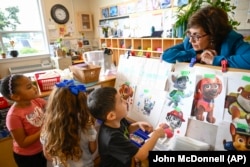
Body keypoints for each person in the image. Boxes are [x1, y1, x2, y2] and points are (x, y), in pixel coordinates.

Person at [87, 87, 165, 167]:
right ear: (111, 115)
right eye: (121, 101)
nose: (125, 101)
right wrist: (156, 134)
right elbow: (141, 155)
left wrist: (137, 124)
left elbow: (126, 130)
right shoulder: (112, 138)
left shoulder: (118, 120)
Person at [162, 5, 250, 70]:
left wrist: (215, 60)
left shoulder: (231, 41)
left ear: (212, 35)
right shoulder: (190, 41)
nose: (191, 40)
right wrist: (198, 56)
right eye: (189, 34)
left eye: (197, 36)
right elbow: (167, 55)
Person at [40, 80, 97, 167]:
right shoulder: (87, 126)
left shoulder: (49, 128)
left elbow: (48, 156)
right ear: (82, 105)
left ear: (53, 105)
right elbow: (92, 149)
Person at [0, 74, 47, 167]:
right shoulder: (13, 116)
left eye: (32, 84)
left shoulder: (36, 101)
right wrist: (44, 130)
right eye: (29, 87)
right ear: (16, 97)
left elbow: (52, 107)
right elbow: (23, 143)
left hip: (42, 148)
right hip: (28, 157)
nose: (34, 87)